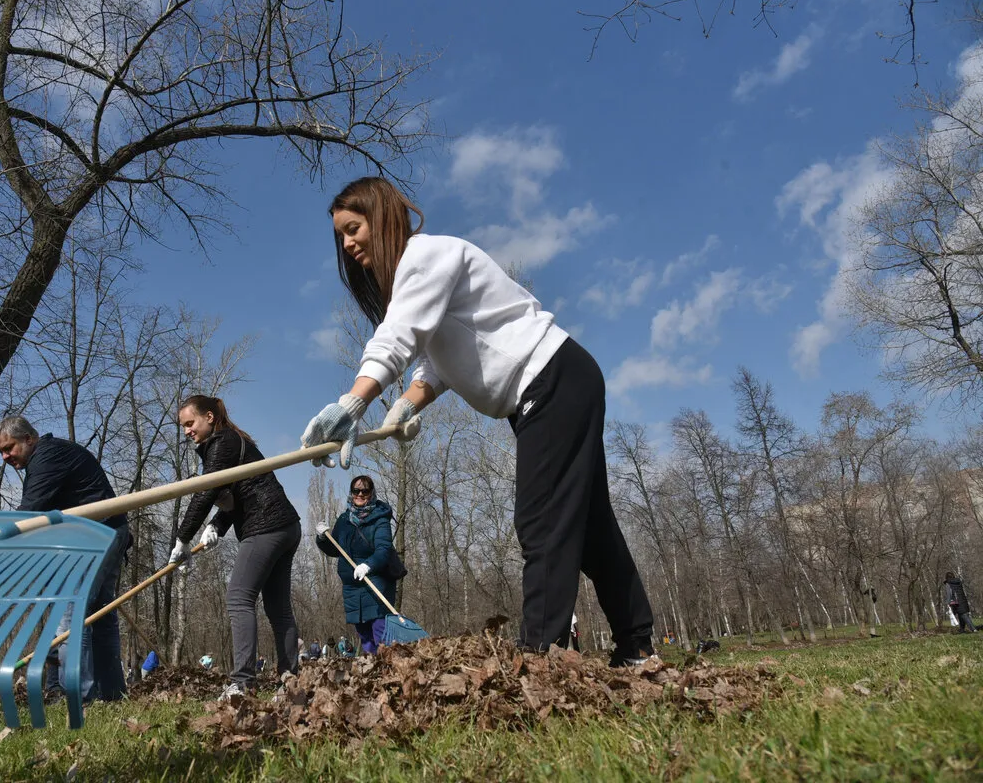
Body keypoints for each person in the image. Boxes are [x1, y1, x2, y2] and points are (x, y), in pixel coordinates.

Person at [300, 177, 656, 666]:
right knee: (591, 529)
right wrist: (406, 405)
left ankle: (539, 659)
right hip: (558, 382)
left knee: (542, 523)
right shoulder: (420, 279)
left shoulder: (424, 257)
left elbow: (398, 336)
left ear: (381, 219)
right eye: (341, 235)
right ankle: (636, 646)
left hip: (550, 377)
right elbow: (436, 362)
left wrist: (353, 401)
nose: (348, 243)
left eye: (354, 228)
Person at [168, 395, 301, 700]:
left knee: (239, 597)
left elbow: (206, 491)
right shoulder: (231, 442)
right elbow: (237, 494)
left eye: (191, 423)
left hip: (265, 526)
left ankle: (242, 684)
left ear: (210, 417)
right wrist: (216, 525)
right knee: (278, 608)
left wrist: (182, 538)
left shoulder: (221, 443)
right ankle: (289, 681)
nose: (187, 431)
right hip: (286, 525)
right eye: (184, 427)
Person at [0, 415, 130, 702]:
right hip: (109, 531)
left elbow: (30, 512)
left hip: (97, 535)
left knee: (71, 613)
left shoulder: (48, 456)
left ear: (28, 439)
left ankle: (78, 697)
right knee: (101, 616)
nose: (5, 457)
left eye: (9, 448)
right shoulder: (51, 455)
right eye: (1, 453)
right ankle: (113, 696)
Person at [315, 475, 397, 655]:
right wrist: (322, 538)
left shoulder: (380, 518)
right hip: (352, 587)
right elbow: (335, 549)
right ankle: (373, 669)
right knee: (363, 633)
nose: (360, 494)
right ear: (351, 493)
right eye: (356, 490)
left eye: (365, 490)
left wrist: (368, 565)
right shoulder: (344, 520)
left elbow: (383, 549)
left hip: (376, 582)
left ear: (371, 493)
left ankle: (387, 668)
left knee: (379, 629)